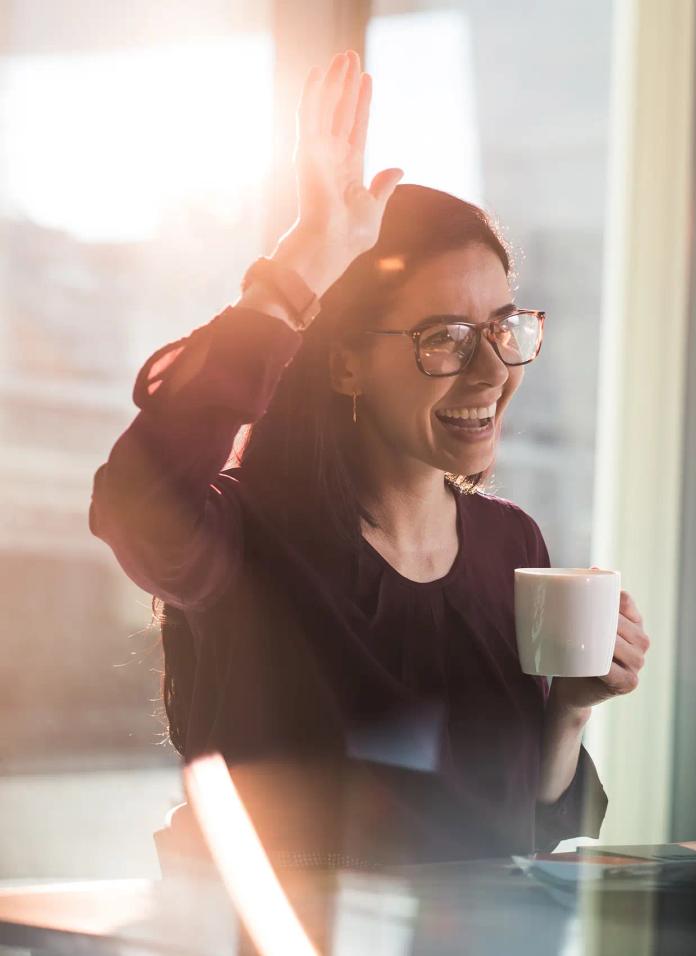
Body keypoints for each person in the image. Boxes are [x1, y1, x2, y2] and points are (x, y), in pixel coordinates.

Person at [89, 51, 649, 869]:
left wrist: (568, 710)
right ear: (346, 363)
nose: (494, 370)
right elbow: (134, 498)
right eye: (446, 339)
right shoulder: (249, 541)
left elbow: (516, 840)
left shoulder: (512, 549)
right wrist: (303, 265)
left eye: (504, 327)